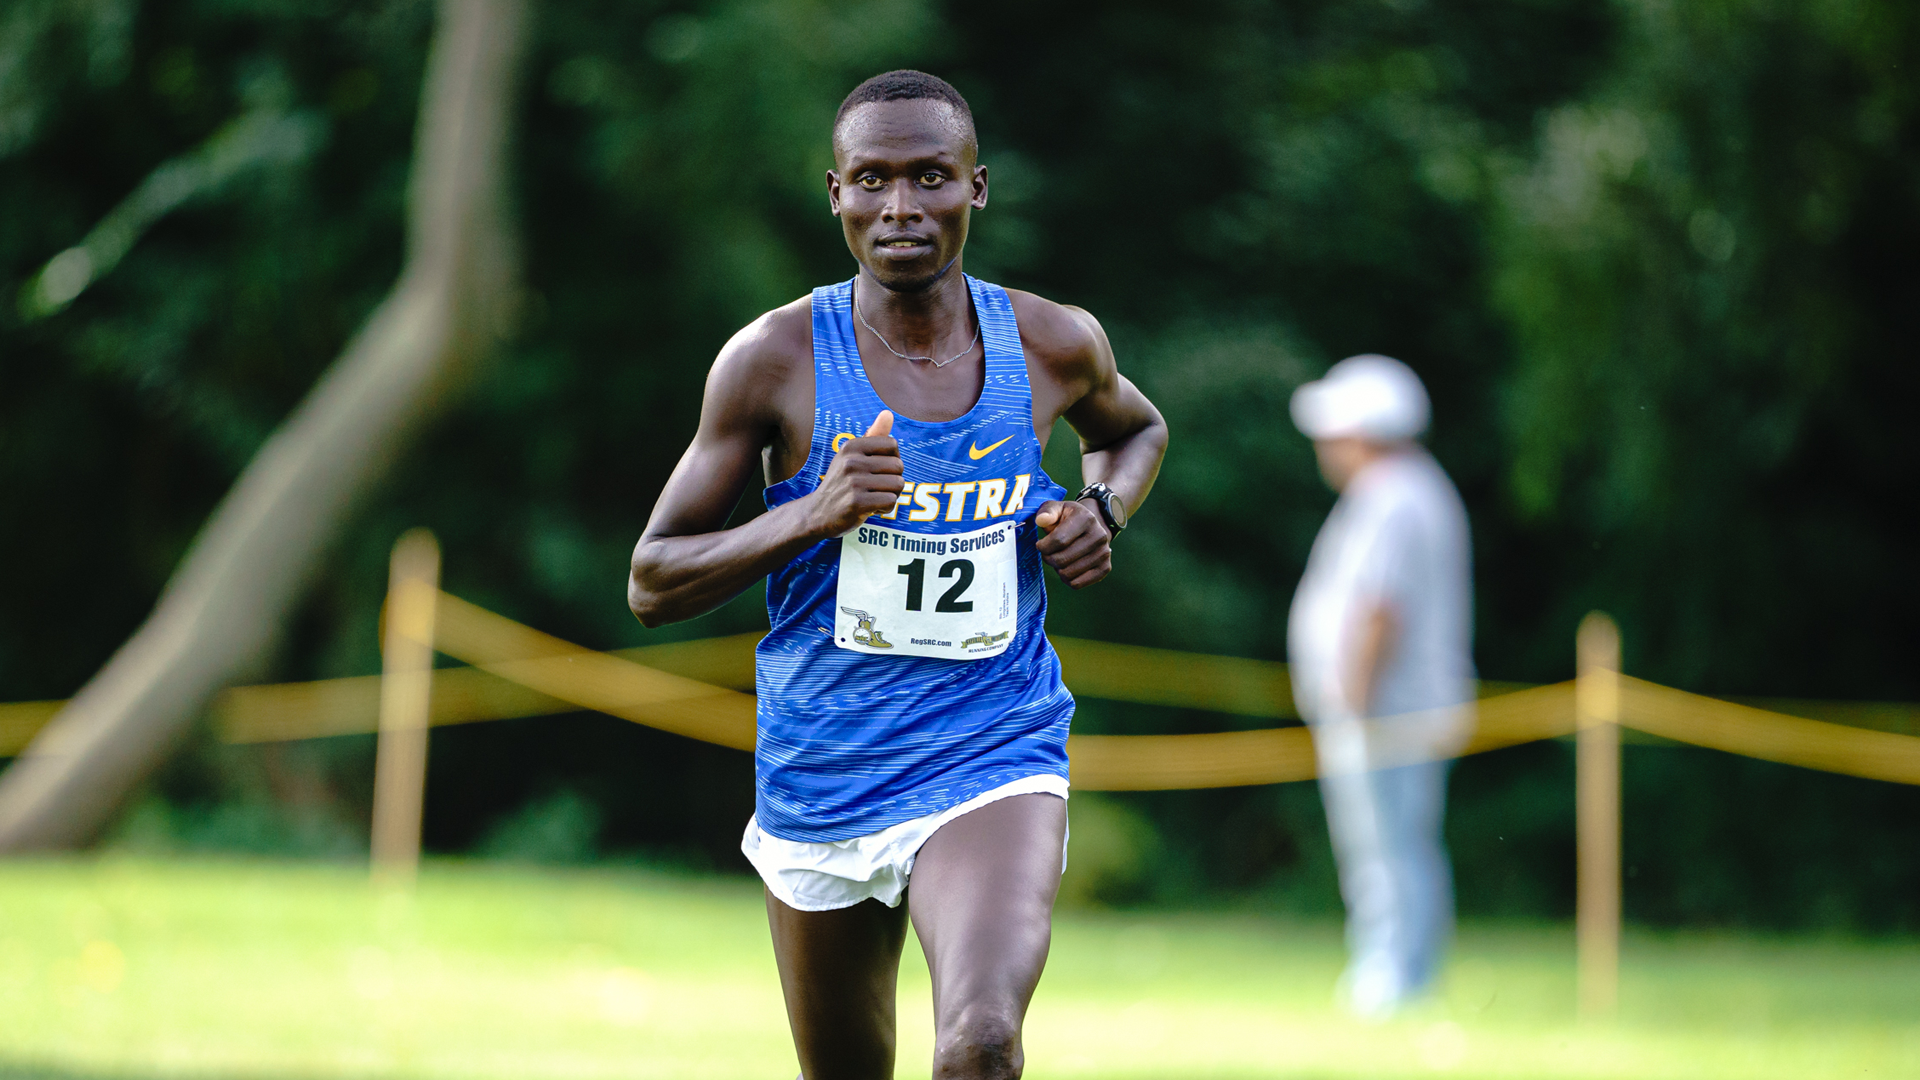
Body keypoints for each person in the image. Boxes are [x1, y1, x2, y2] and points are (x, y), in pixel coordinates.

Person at [627, 70, 1167, 1080]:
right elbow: (653, 581)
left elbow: (1135, 431)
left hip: (993, 745)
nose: (902, 207)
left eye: (931, 177)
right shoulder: (773, 360)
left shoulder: (1051, 341)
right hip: (824, 766)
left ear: (978, 187)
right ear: (836, 193)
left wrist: (1103, 510)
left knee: (980, 1043)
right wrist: (812, 512)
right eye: (872, 180)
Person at [1286, 354, 1474, 1020]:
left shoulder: (1392, 497)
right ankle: (1404, 974)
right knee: (1400, 845)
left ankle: (1389, 980)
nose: (1324, 446)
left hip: (1384, 712)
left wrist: (1352, 701)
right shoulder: (1410, 490)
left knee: (1383, 849)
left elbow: (1378, 609)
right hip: (1396, 710)